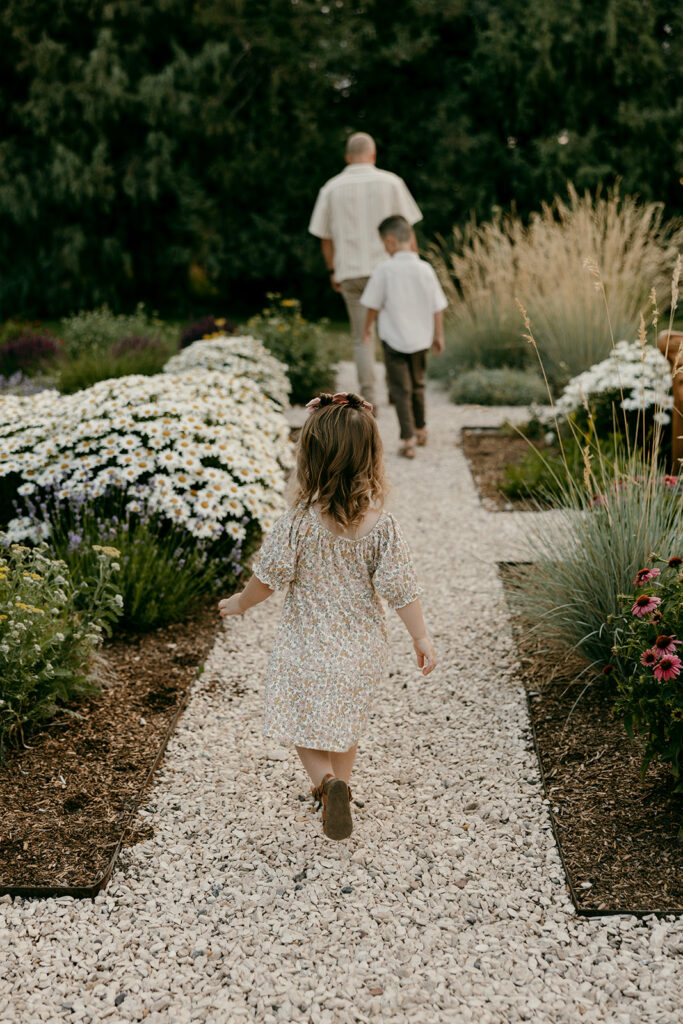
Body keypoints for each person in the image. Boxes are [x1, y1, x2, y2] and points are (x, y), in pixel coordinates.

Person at [218, 392, 437, 841]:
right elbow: (401, 589)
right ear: (372, 457)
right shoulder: (383, 527)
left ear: (310, 459)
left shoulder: (297, 523)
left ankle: (325, 784)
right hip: (360, 650)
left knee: (304, 720)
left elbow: (268, 579)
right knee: (346, 720)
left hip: (305, 647)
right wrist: (421, 637)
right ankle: (345, 786)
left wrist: (240, 603)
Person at [308, 133, 422, 409]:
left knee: (362, 337)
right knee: (395, 332)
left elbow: (325, 238)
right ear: (373, 155)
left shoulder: (331, 188)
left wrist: (333, 269)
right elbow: (407, 229)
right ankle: (398, 393)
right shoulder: (392, 182)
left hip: (351, 272)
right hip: (391, 270)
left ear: (348, 157)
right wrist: (414, 266)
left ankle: (368, 397)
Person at [360, 215, 448, 459]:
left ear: (389, 242)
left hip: (394, 341)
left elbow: (373, 305)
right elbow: (437, 307)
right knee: (418, 385)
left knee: (401, 390)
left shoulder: (384, 270)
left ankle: (407, 439)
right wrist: (438, 335)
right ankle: (421, 430)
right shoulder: (425, 269)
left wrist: (367, 328)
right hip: (421, 340)